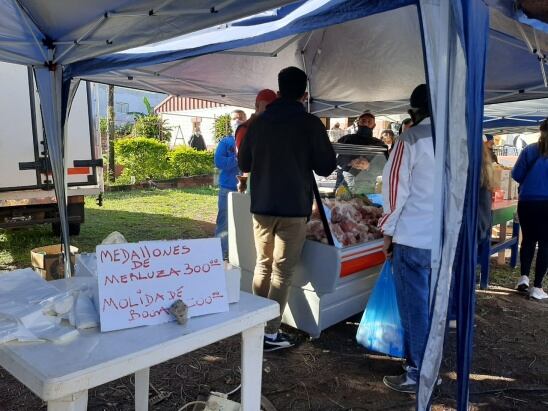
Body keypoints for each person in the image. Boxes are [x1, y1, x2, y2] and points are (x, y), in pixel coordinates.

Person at [238, 66, 336, 350]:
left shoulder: (258, 123)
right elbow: (326, 165)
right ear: (304, 95)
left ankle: (255, 324)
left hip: (262, 206)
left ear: (279, 92)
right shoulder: (310, 124)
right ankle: (269, 333)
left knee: (262, 265)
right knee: (281, 272)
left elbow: (244, 165)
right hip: (293, 207)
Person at [378, 84, 435, 393]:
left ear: (415, 110)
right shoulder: (457, 139)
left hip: (412, 238)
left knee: (415, 309)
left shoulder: (410, 139)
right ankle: (431, 363)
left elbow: (395, 191)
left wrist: (387, 232)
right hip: (443, 241)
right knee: (433, 307)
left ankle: (418, 372)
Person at [512, 118, 548, 300]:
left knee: (528, 240)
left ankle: (523, 277)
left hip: (527, 202)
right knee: (545, 245)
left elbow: (516, 174)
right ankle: (537, 287)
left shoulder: (529, 150)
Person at [214, 109, 247, 259]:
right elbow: (219, 162)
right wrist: (237, 158)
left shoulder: (251, 140)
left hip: (247, 189)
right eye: (234, 118)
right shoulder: (225, 142)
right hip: (227, 188)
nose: (237, 121)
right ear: (230, 122)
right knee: (224, 222)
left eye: (240, 118)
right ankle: (221, 253)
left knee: (244, 222)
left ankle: (241, 254)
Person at [235, 89, 277, 192]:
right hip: (256, 182)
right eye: (267, 107)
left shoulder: (275, 126)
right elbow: (244, 162)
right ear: (257, 106)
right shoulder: (245, 128)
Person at [335, 112, 386, 191]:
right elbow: (335, 159)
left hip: (367, 185)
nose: (366, 124)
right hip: (344, 183)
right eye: (363, 121)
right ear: (358, 123)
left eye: (369, 122)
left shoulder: (379, 144)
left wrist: (369, 166)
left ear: (374, 125)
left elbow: (384, 166)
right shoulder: (346, 139)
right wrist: (349, 162)